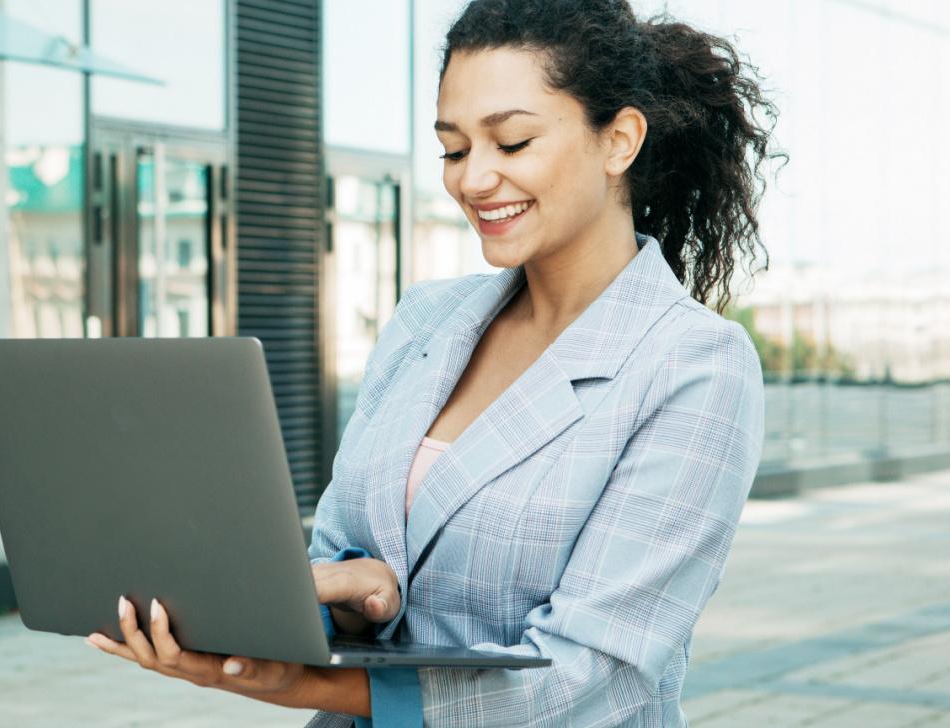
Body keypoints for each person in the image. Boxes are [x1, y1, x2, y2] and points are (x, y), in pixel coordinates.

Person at [86, 0, 784, 724]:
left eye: (512, 143)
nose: (474, 180)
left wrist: (292, 685)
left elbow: (587, 677)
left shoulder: (693, 364)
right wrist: (350, 600)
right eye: (453, 150)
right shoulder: (426, 320)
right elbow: (339, 549)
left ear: (620, 141)